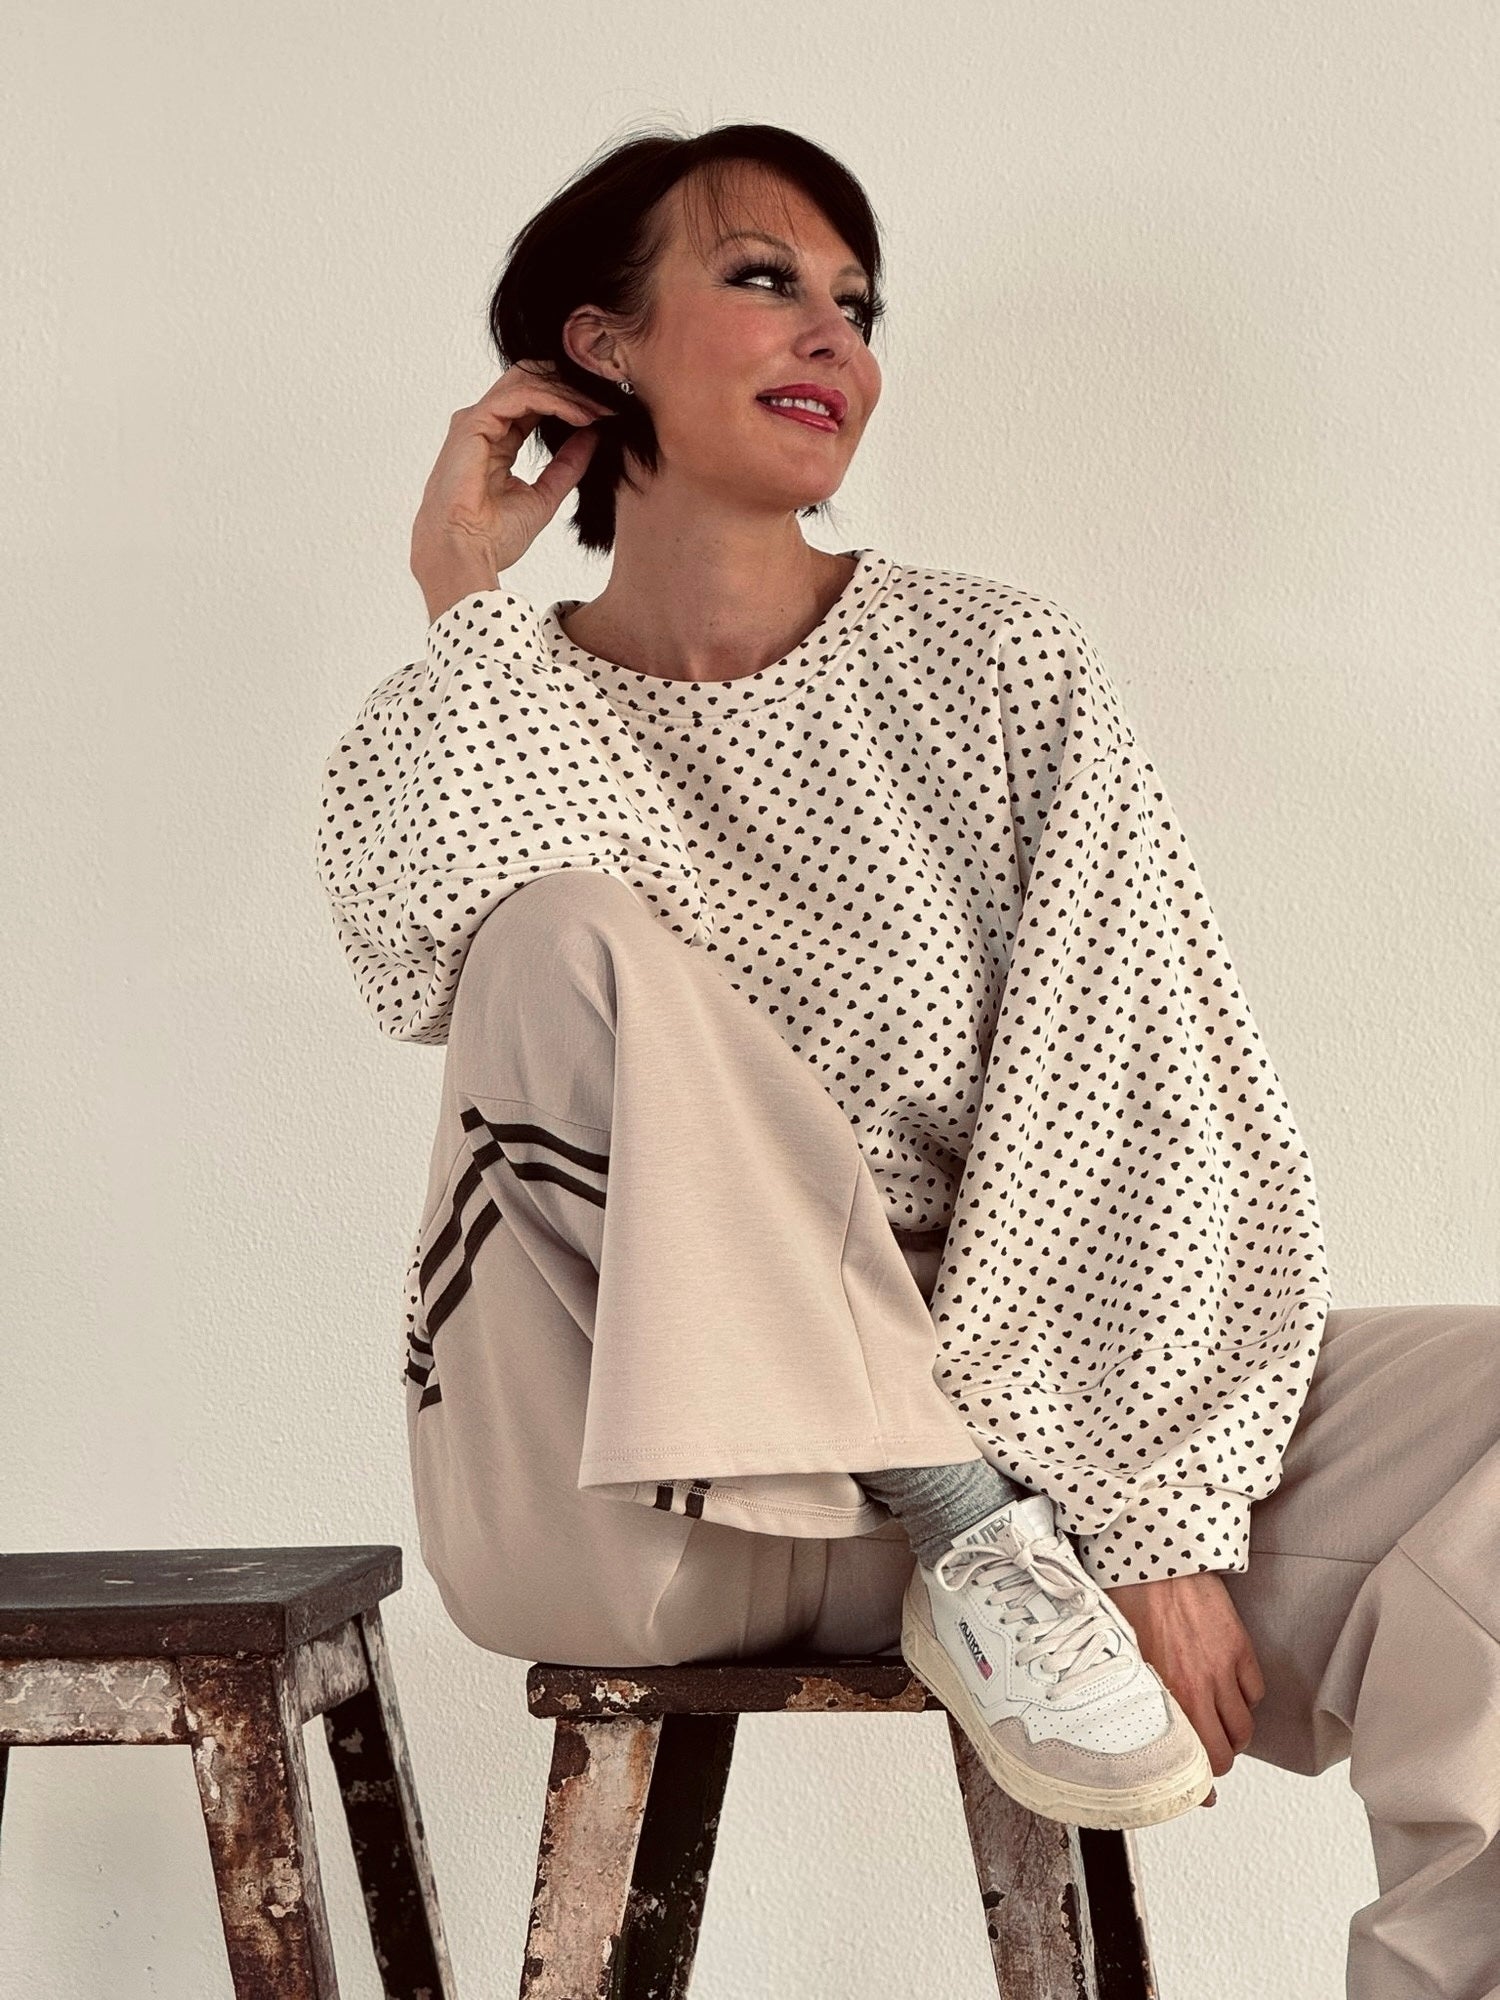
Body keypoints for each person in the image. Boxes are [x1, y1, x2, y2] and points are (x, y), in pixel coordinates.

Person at [316, 122, 1499, 1990]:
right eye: (764, 279)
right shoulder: (490, 703)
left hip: (1027, 1455)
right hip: (639, 1481)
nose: (834, 340)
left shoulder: (993, 666)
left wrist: (1152, 1513)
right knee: (558, 940)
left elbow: (1137, 1085)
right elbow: (418, 961)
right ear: (599, 346)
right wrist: (462, 597)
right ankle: (960, 1518)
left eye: (858, 307)